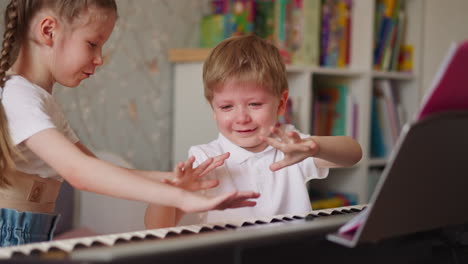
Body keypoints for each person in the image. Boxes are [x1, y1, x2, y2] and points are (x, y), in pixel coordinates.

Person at [0, 0, 259, 247]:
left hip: (27, 233)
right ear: (48, 31)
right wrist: (181, 198)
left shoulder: (39, 100)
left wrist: (171, 180)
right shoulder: (19, 96)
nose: (99, 58)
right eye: (92, 43)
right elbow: (80, 173)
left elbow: (97, 168)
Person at [144, 34, 362, 228]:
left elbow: (353, 154)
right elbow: (156, 227)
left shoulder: (290, 145)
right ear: (213, 109)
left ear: (281, 103)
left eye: (255, 104)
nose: (241, 118)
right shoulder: (205, 159)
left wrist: (315, 148)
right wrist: (168, 191)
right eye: (227, 107)